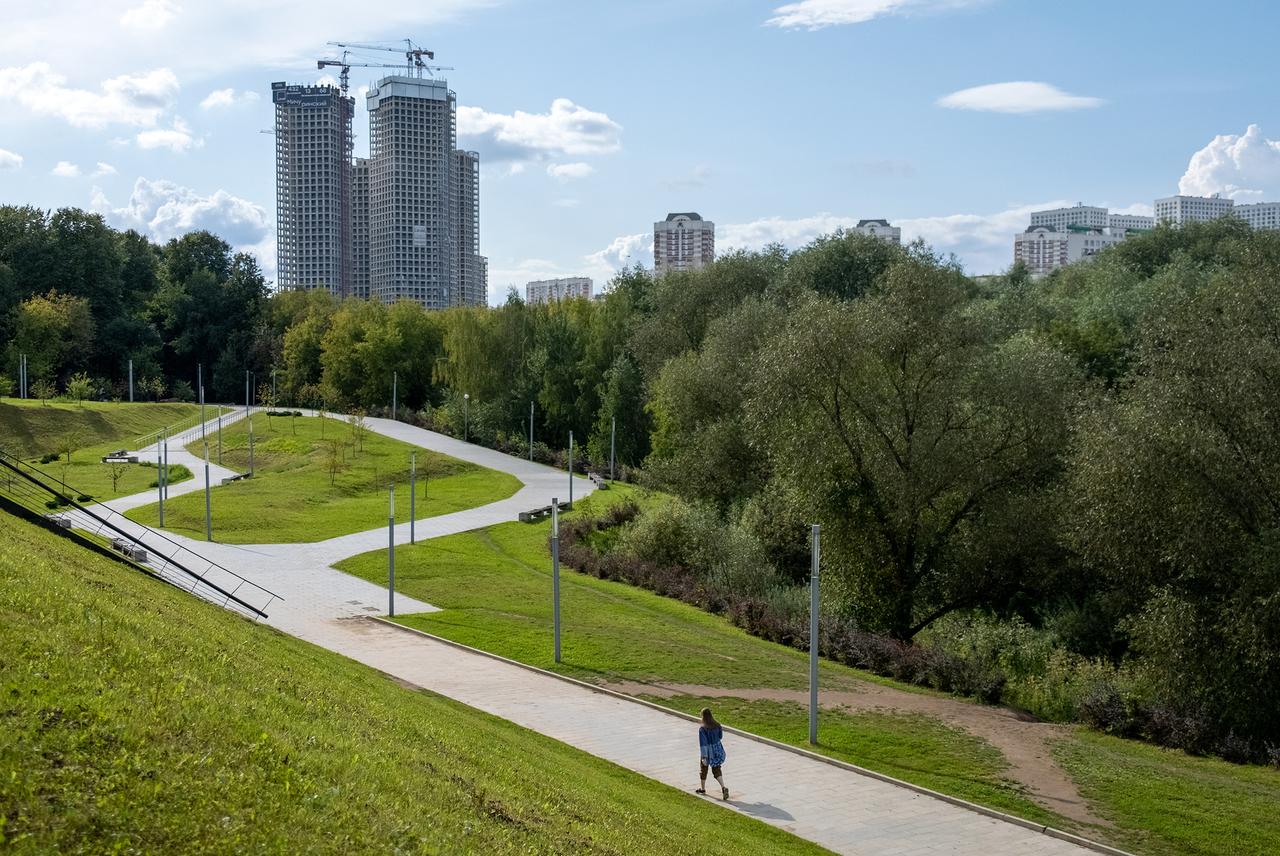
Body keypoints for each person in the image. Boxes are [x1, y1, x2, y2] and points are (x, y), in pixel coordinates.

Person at [696, 707, 729, 800]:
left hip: (708, 750)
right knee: (716, 769)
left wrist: (704, 756)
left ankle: (702, 789)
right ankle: (723, 787)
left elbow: (703, 743)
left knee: (704, 768)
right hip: (717, 749)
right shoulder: (717, 725)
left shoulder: (703, 729)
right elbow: (720, 736)